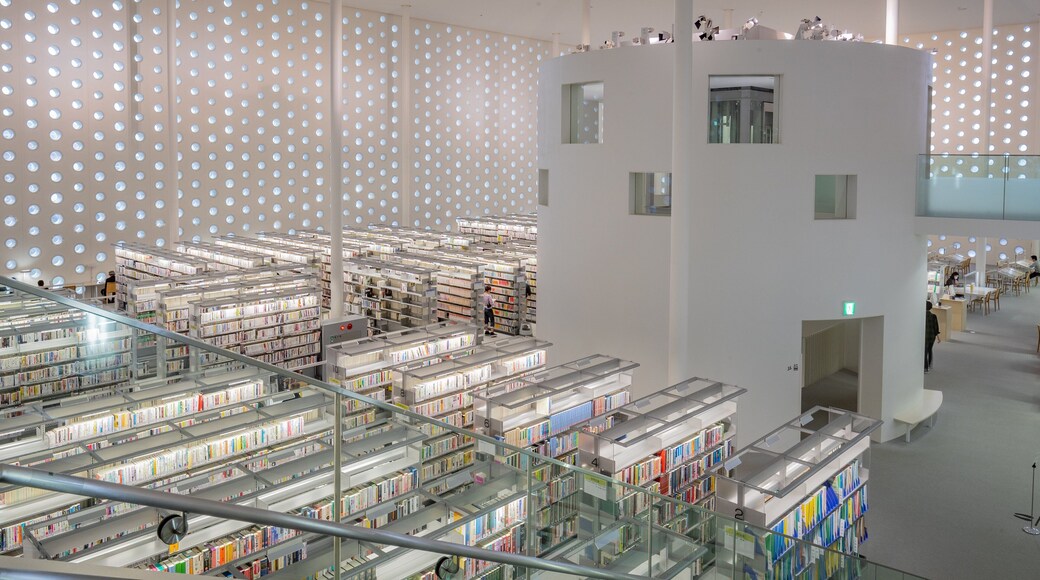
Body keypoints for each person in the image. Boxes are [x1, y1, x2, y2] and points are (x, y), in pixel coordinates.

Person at [925, 300, 940, 373]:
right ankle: (930, 364)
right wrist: (938, 337)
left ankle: (925, 367)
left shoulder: (922, 316)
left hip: (925, 336)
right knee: (929, 350)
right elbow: (936, 327)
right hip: (932, 336)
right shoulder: (934, 316)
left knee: (924, 352)